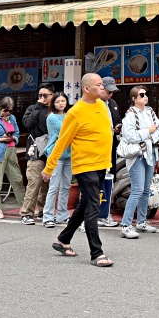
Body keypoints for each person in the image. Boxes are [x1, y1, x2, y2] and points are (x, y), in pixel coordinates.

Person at [42, 73, 115, 267]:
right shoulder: (75, 112)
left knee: (84, 205)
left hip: (101, 164)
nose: (102, 88)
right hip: (85, 166)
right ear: (86, 89)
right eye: (98, 85)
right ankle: (96, 253)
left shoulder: (101, 105)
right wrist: (49, 168)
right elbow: (61, 142)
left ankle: (63, 239)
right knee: (93, 207)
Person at [119, 86, 159, 239]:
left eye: (146, 94)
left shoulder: (150, 111)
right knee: (137, 189)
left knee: (145, 189)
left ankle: (141, 221)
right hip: (137, 154)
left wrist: (150, 135)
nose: (145, 97)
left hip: (150, 152)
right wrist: (148, 132)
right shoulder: (130, 115)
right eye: (142, 95)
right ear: (134, 99)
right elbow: (129, 135)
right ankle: (125, 225)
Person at [20, 86, 53, 225]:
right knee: (34, 181)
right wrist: (39, 106)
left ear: (52, 95)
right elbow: (27, 123)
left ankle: (44, 211)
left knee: (48, 184)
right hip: (36, 151)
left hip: (52, 151)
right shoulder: (33, 108)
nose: (43, 97)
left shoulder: (56, 109)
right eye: (40, 94)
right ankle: (27, 213)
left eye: (46, 95)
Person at [42, 94, 71, 228]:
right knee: (54, 186)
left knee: (65, 186)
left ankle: (62, 215)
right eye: (58, 101)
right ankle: (47, 216)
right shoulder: (51, 118)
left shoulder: (69, 115)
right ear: (53, 104)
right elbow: (64, 132)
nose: (60, 103)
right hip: (56, 155)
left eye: (63, 101)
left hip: (69, 155)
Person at [96, 77, 121, 229]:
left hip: (111, 145)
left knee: (109, 177)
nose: (111, 94)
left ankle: (105, 214)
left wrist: (118, 126)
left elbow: (116, 119)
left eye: (113, 92)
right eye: (108, 91)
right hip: (97, 148)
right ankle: (93, 216)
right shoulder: (93, 104)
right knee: (96, 182)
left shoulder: (112, 104)